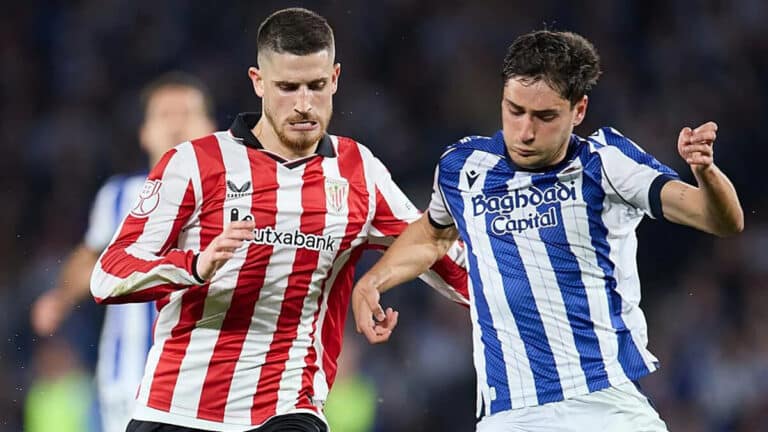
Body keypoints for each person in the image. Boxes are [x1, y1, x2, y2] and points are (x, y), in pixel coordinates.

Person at [90, 8, 468, 432]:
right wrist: (194, 266)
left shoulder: (357, 171)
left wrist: (380, 281)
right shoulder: (195, 163)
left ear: (336, 78)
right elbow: (108, 275)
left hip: (288, 408)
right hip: (175, 407)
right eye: (288, 88)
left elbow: (432, 245)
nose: (304, 105)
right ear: (258, 82)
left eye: (317, 86)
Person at [351, 30, 743, 431]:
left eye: (544, 117)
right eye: (514, 110)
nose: (524, 131)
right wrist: (374, 281)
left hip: (604, 404)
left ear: (579, 110)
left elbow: (721, 221)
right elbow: (434, 234)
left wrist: (706, 173)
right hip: (511, 413)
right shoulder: (463, 167)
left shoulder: (605, 164)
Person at [31, 72, 217, 432]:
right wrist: (61, 296)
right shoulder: (117, 196)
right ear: (145, 132)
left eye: (187, 113)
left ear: (210, 127)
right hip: (129, 380)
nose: (176, 124)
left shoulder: (239, 198)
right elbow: (91, 257)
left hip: (208, 378)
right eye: (164, 114)